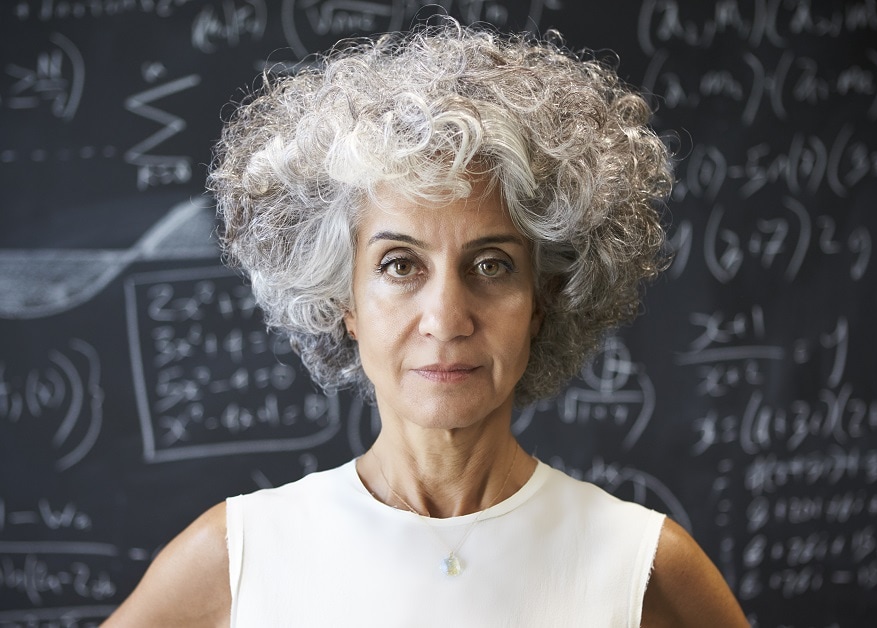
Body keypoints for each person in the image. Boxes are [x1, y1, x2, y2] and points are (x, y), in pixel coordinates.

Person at [104, 21, 748, 627]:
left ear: (545, 297)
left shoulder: (644, 568)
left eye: (491, 264)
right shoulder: (237, 557)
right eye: (399, 263)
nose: (445, 318)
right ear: (344, 300)